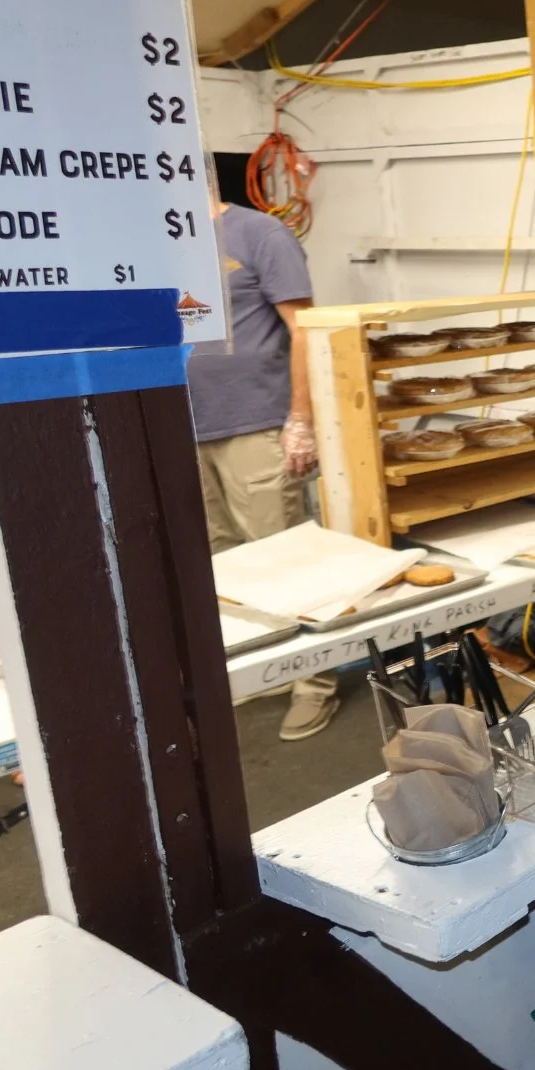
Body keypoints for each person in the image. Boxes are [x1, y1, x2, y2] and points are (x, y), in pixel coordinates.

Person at [189, 197, 339, 741]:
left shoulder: (258, 233)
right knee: (223, 562)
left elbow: (304, 329)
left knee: (286, 559)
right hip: (184, 427)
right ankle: (267, 669)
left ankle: (313, 683)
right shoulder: (153, 238)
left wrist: (301, 418)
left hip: (255, 422)